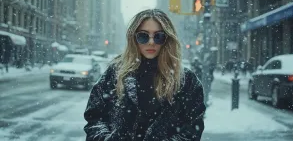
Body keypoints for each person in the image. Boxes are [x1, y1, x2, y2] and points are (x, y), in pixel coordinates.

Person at [83, 9, 206, 141]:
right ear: (134, 38)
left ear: (167, 39)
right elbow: (94, 118)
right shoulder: (115, 73)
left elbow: (192, 131)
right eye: (143, 36)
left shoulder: (186, 80)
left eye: (158, 36)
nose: (151, 42)